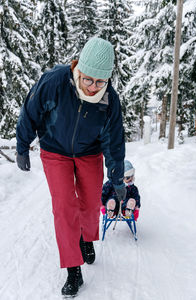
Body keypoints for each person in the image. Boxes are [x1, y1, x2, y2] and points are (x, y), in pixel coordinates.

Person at [16, 37, 126, 298]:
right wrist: (22, 145)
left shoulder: (109, 100)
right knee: (65, 206)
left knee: (89, 203)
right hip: (55, 151)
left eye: (100, 81)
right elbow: (30, 110)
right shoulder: (55, 81)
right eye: (88, 79)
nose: (92, 86)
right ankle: (73, 269)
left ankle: (86, 237)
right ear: (79, 67)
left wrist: (118, 178)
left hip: (89, 153)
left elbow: (114, 142)